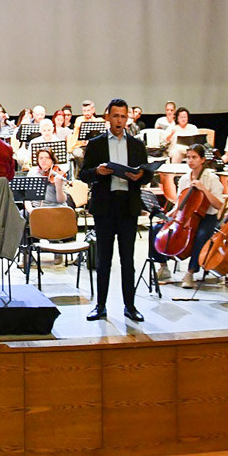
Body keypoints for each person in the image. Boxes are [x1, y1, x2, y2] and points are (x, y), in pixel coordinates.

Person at [78, 99, 148, 322]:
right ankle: (100, 306)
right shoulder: (97, 143)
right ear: (107, 117)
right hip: (105, 206)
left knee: (128, 259)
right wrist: (97, 171)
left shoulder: (136, 144)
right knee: (104, 259)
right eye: (115, 116)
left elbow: (147, 173)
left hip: (128, 205)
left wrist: (141, 176)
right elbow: (84, 174)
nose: (119, 120)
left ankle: (130, 305)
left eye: (123, 116)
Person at [171, 145, 224, 289]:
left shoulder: (212, 178)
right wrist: (170, 215)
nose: (190, 161)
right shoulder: (183, 179)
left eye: (194, 157)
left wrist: (203, 189)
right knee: (159, 229)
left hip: (207, 217)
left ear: (203, 159)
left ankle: (190, 272)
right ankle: (163, 266)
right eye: (188, 157)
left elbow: (219, 205)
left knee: (201, 235)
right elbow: (179, 202)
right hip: (187, 216)